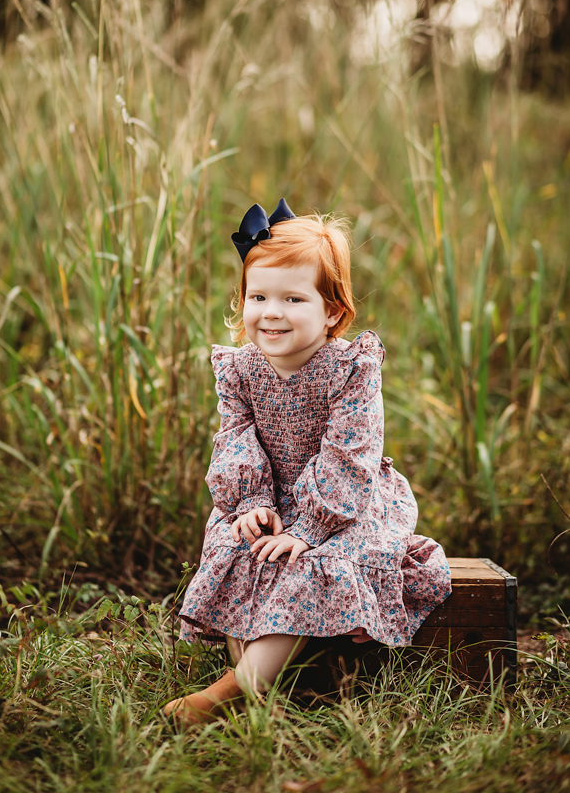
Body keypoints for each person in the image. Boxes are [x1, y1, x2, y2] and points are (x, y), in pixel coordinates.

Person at [164, 200, 451, 726]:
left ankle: (233, 692)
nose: (271, 312)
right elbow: (236, 438)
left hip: (344, 504)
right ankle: (259, 681)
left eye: (293, 298)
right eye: (258, 296)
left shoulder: (351, 368)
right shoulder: (240, 369)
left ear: (332, 313)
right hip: (270, 498)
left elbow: (350, 453)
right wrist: (250, 503)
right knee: (239, 545)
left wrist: (312, 526)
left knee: (308, 562)